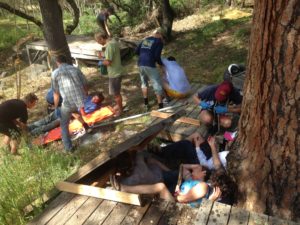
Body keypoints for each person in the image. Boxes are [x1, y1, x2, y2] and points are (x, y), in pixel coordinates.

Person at [51, 55, 90, 152]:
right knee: (73, 110)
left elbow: (56, 93)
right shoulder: (75, 69)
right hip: (80, 100)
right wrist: (86, 95)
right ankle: (86, 126)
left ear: (57, 62)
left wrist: (55, 107)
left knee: (64, 124)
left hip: (69, 103)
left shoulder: (55, 73)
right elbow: (85, 84)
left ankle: (68, 148)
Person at [28, 92, 105, 136]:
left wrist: (77, 109)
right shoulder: (88, 97)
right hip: (65, 108)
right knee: (46, 119)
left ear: (98, 102)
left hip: (70, 114)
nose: (94, 99)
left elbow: (83, 113)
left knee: (51, 125)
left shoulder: (94, 106)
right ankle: (29, 127)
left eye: (96, 100)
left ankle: (32, 133)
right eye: (94, 97)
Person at [95, 33, 125, 116]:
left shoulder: (110, 46)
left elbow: (108, 62)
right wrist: (102, 58)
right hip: (116, 70)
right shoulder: (114, 42)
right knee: (116, 92)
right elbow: (110, 58)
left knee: (116, 94)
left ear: (101, 38)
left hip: (114, 73)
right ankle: (119, 106)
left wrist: (100, 62)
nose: (98, 42)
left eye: (98, 40)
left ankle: (120, 110)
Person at [135, 28, 165, 110]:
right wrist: (161, 64)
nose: (162, 38)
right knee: (157, 84)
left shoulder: (146, 40)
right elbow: (157, 56)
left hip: (140, 64)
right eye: (162, 36)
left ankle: (146, 104)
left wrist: (144, 55)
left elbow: (136, 51)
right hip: (150, 64)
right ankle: (161, 107)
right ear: (160, 35)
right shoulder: (159, 42)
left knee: (144, 83)